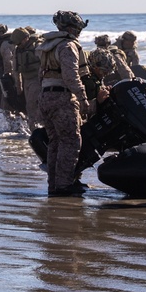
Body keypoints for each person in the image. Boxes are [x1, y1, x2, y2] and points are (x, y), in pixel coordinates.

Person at [37, 11, 91, 196]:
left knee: (55, 143)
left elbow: (40, 75)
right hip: (62, 98)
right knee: (70, 141)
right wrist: (83, 99)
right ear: (71, 28)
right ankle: (64, 186)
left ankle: (54, 185)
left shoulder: (48, 46)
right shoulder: (68, 46)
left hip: (45, 97)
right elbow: (71, 76)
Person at [11, 27, 42, 126]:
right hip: (26, 80)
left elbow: (44, 64)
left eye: (19, 43)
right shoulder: (18, 50)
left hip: (37, 79)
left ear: (25, 39)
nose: (17, 46)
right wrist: (18, 85)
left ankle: (38, 128)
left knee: (33, 105)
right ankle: (32, 128)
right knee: (29, 106)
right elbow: (16, 69)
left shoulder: (37, 47)